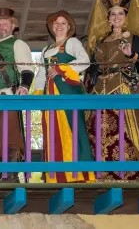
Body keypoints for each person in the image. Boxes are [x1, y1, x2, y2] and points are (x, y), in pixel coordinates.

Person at [85, 0, 139, 182]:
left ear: (126, 17)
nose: (116, 17)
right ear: (108, 19)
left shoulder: (138, 40)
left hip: (124, 89)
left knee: (124, 130)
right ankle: (99, 174)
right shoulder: (100, 42)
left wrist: (131, 55)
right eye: (112, 14)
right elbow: (92, 70)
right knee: (96, 130)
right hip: (99, 93)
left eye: (120, 14)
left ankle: (129, 173)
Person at [31, 10, 94, 183]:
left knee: (72, 129)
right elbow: (41, 74)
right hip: (49, 95)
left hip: (67, 92)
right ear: (51, 27)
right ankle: (55, 176)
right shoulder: (46, 49)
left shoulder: (72, 42)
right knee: (52, 132)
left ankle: (79, 175)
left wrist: (62, 68)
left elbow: (85, 61)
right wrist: (37, 94)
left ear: (69, 27)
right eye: (55, 23)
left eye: (63, 23)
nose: (59, 26)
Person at [0, 8, 33, 183]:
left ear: (12, 27)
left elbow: (26, 68)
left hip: (7, 94)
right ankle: (2, 174)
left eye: (5, 23)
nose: (1, 26)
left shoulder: (17, 44)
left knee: (10, 134)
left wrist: (25, 86)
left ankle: (12, 175)